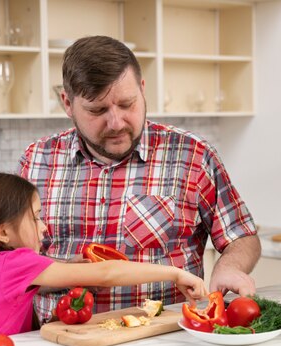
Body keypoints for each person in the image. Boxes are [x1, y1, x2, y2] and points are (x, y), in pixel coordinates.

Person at [18, 35, 260, 323]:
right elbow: (9, 267)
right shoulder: (37, 161)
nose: (116, 122)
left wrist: (230, 266)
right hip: (58, 339)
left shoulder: (191, 155)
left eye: (127, 104)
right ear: (67, 104)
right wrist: (66, 273)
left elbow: (242, 236)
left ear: (142, 90)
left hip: (162, 341)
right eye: (97, 110)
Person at [0, 172, 207, 346]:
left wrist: (68, 268)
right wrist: (175, 273)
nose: (44, 226)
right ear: (3, 232)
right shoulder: (17, 262)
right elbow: (107, 274)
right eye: (35, 217)